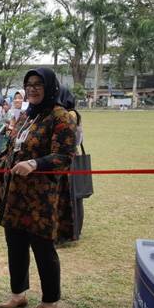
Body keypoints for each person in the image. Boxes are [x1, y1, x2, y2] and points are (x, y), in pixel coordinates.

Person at [0, 68, 76, 308]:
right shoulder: (26, 116)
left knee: (42, 247)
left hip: (41, 197)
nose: (32, 88)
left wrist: (35, 164)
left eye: (38, 84)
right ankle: (18, 293)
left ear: (49, 86)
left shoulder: (60, 116)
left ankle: (50, 300)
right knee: (15, 245)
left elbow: (65, 156)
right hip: (15, 195)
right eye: (28, 84)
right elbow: (9, 149)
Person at [56, 86, 85, 243]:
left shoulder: (69, 115)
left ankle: (71, 231)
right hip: (71, 157)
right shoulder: (73, 113)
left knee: (71, 196)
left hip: (69, 159)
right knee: (74, 196)